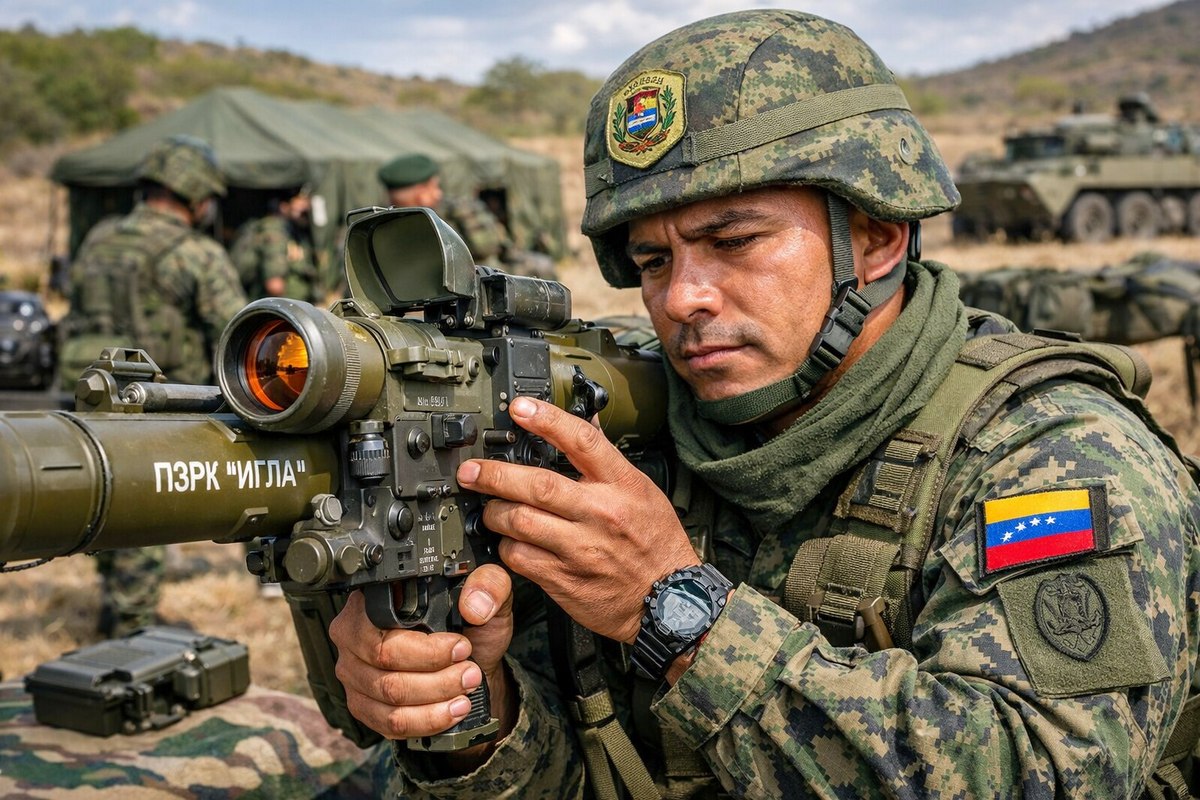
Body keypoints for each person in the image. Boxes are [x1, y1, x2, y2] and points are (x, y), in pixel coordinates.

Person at [330, 10, 1200, 799]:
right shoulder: (634, 443)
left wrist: (675, 614)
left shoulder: (1053, 455)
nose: (682, 298)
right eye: (654, 261)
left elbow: (1044, 775)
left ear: (876, 237)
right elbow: (602, 769)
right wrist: (476, 715)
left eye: (734, 240)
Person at [57, 135, 248, 638]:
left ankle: (113, 600)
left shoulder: (99, 237)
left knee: (98, 492)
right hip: (151, 401)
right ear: (196, 195)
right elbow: (239, 333)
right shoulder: (195, 253)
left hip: (87, 388)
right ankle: (132, 627)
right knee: (142, 504)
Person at [377, 153, 558, 280]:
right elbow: (487, 247)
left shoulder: (379, 223)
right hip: (469, 280)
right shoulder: (453, 211)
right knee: (542, 265)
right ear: (421, 194)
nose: (439, 193)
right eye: (434, 187)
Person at [229, 185, 322, 304]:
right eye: (299, 201)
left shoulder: (295, 231)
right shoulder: (274, 230)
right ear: (284, 206)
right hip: (282, 309)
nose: (306, 206)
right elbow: (274, 285)